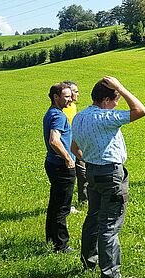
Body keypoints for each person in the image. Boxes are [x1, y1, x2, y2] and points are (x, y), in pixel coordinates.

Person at [72, 76, 145, 278]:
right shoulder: (106, 117)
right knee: (109, 226)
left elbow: (73, 148)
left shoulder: (79, 117)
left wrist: (89, 157)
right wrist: (121, 87)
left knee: (93, 218)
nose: (117, 104)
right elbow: (141, 110)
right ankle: (110, 275)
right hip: (111, 175)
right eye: (115, 100)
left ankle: (89, 261)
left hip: (91, 171)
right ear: (106, 100)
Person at [43, 82, 75, 253]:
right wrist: (68, 158)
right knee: (62, 207)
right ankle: (61, 245)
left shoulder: (51, 113)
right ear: (56, 97)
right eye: (67, 96)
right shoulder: (59, 116)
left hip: (52, 163)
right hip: (61, 167)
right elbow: (54, 140)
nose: (70, 99)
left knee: (55, 203)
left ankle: (51, 238)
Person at [62, 81, 88, 209]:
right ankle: (66, 205)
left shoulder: (72, 107)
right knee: (69, 177)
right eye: (76, 91)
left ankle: (84, 201)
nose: (78, 94)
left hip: (77, 145)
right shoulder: (61, 111)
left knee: (83, 173)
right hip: (67, 148)